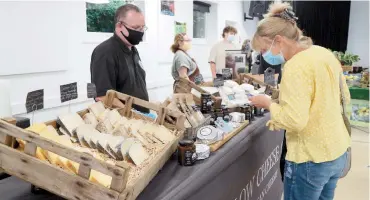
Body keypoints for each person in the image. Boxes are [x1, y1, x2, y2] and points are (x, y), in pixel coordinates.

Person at [249, 3, 351, 200]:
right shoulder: (322, 52)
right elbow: (339, 95)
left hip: (310, 159)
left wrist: (269, 104)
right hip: (337, 150)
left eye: (263, 50)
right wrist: (282, 97)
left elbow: (294, 121)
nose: (264, 56)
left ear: (278, 40)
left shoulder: (295, 66)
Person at [90, 4, 149, 113]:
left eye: (142, 28)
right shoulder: (105, 52)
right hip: (124, 123)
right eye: (136, 28)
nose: (140, 32)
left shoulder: (133, 50)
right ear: (119, 26)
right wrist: (134, 115)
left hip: (141, 122)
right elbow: (102, 96)